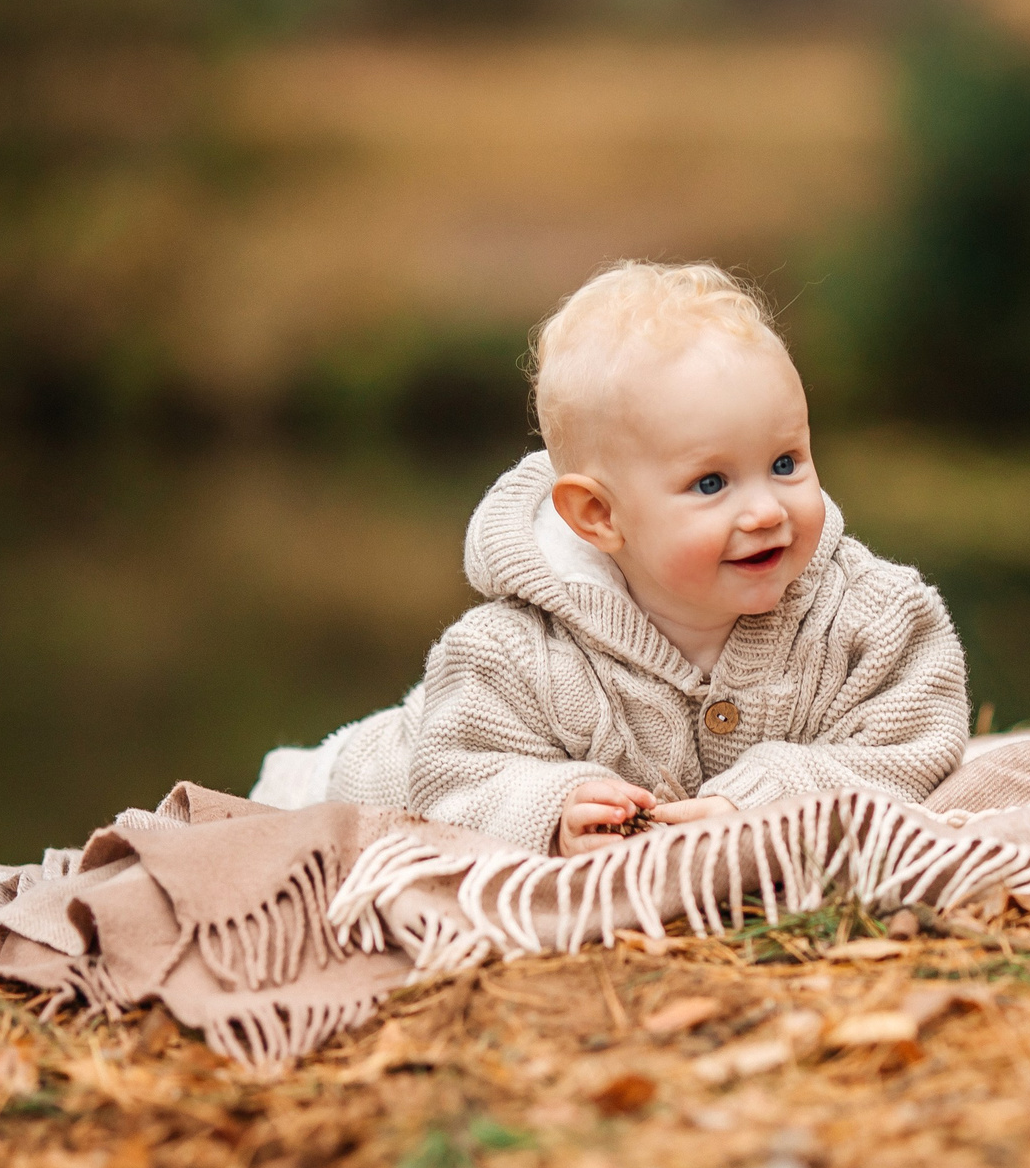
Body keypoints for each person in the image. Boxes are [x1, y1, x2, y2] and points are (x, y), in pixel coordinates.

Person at [252, 260, 968, 854]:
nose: (766, 511)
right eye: (711, 483)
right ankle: (288, 780)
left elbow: (915, 739)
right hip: (357, 772)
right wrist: (552, 808)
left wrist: (765, 800)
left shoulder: (871, 613)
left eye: (785, 463)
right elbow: (454, 777)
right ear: (600, 516)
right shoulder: (511, 652)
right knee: (317, 799)